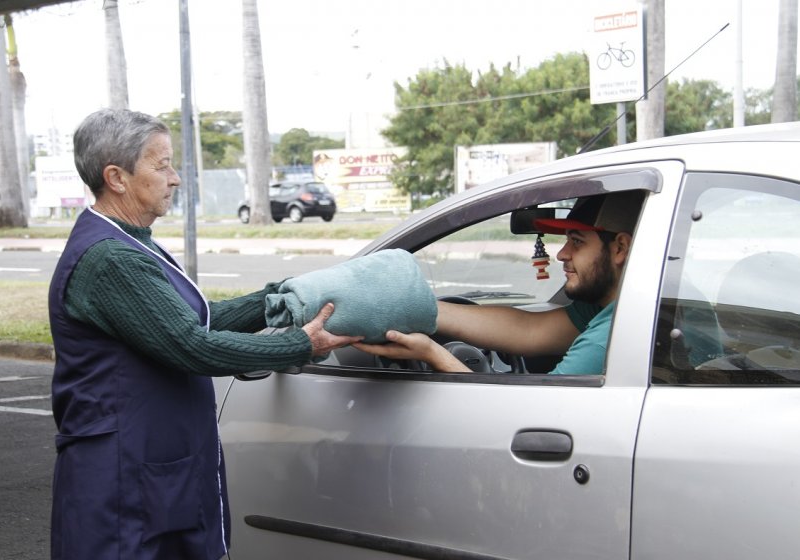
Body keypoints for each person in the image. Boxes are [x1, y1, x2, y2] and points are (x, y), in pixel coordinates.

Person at [48, 108, 360, 560]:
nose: (174, 178)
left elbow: (197, 319)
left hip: (153, 470)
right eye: (162, 165)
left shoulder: (131, 241)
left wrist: (279, 299)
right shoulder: (109, 258)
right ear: (116, 177)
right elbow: (191, 345)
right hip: (121, 478)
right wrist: (297, 343)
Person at [354, 191, 644, 375]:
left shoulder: (615, 333)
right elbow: (530, 331)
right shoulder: (611, 309)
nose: (562, 254)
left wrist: (432, 353)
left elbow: (534, 419)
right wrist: (416, 307)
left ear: (620, 248)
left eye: (577, 242)